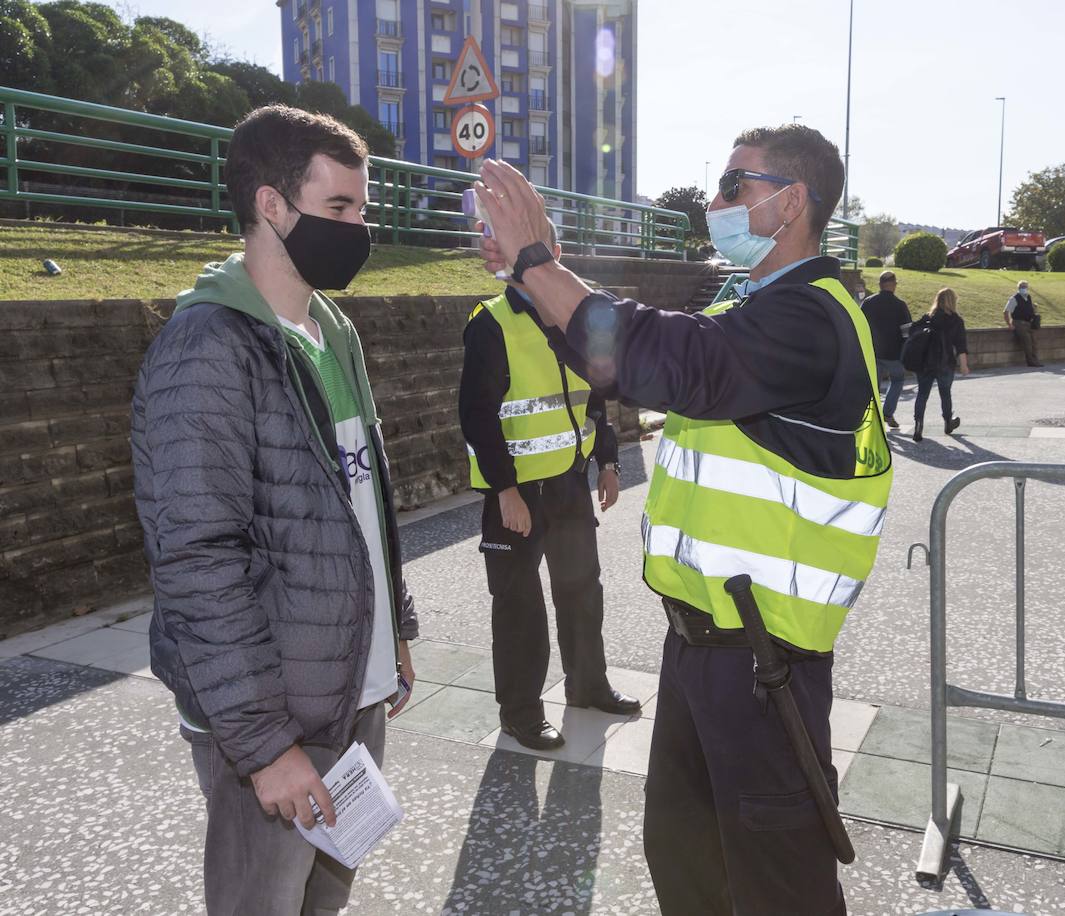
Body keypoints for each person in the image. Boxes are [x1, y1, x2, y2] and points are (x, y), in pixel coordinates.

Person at [472, 124, 892, 916]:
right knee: (685, 858)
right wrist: (534, 286)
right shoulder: (755, 302)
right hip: (703, 645)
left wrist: (540, 263)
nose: (714, 202)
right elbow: (619, 360)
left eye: (736, 187)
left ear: (793, 201)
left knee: (777, 880)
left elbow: (674, 358)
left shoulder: (811, 317)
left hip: (766, 662)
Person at [129, 106, 420, 916]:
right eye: (340, 209)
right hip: (275, 719)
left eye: (363, 208)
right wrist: (264, 748)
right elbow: (196, 561)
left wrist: (392, 625)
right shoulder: (207, 348)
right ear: (270, 205)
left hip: (350, 687)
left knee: (325, 895)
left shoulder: (333, 329)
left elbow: (364, 498)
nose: (360, 228)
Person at [458, 227, 641, 752]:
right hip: (515, 493)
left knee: (583, 590)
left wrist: (608, 462)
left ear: (555, 256)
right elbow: (477, 416)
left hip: (569, 483)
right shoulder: (491, 322)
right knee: (519, 605)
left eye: (540, 249)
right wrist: (505, 491)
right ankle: (521, 712)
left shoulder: (577, 320)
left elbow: (597, 397)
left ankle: (587, 685)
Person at [911, 287, 971, 441]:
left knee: (922, 394)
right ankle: (948, 423)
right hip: (945, 363)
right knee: (945, 394)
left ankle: (918, 424)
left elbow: (912, 331)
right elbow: (961, 345)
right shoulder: (956, 320)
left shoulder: (928, 317)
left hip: (925, 363)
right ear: (952, 301)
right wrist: (964, 365)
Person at [861, 269, 913, 427]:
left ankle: (871, 418)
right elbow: (907, 332)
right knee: (897, 380)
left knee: (873, 386)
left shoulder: (869, 302)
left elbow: (860, 325)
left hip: (873, 352)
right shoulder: (900, 305)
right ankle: (888, 413)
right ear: (894, 285)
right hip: (893, 354)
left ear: (880, 285)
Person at [1003, 279, 1044, 367]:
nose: (1024, 288)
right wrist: (1009, 324)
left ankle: (1035, 360)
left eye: (1025, 286)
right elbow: (1006, 312)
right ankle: (1031, 362)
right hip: (1019, 323)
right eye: (1022, 287)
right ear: (1018, 288)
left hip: (1028, 323)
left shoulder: (1028, 297)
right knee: (1027, 342)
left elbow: (1029, 308)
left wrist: (1034, 308)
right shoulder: (1014, 298)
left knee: (1034, 342)